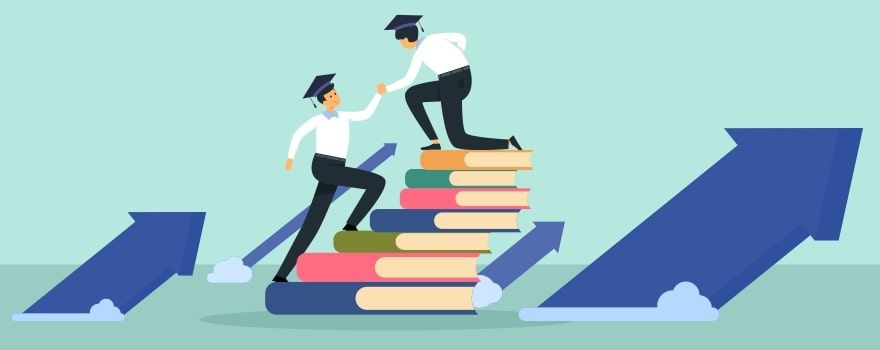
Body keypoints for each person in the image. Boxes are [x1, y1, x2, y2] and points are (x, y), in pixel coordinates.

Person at [273, 74, 387, 283]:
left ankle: (281, 275)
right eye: (332, 95)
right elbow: (298, 134)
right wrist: (290, 158)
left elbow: (366, 114)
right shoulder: (318, 120)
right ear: (324, 101)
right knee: (377, 182)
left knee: (313, 223)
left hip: (337, 167)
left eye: (336, 93)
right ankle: (351, 226)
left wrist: (378, 95)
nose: (336, 97)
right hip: (323, 166)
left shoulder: (344, 116)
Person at [378, 15, 522, 151]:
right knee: (412, 95)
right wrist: (458, 55)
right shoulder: (433, 38)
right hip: (461, 78)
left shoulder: (420, 51)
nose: (402, 45)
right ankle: (435, 141)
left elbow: (408, 78)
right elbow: (461, 37)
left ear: (406, 38)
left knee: (458, 139)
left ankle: (508, 142)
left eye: (401, 41)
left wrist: (386, 88)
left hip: (451, 84)